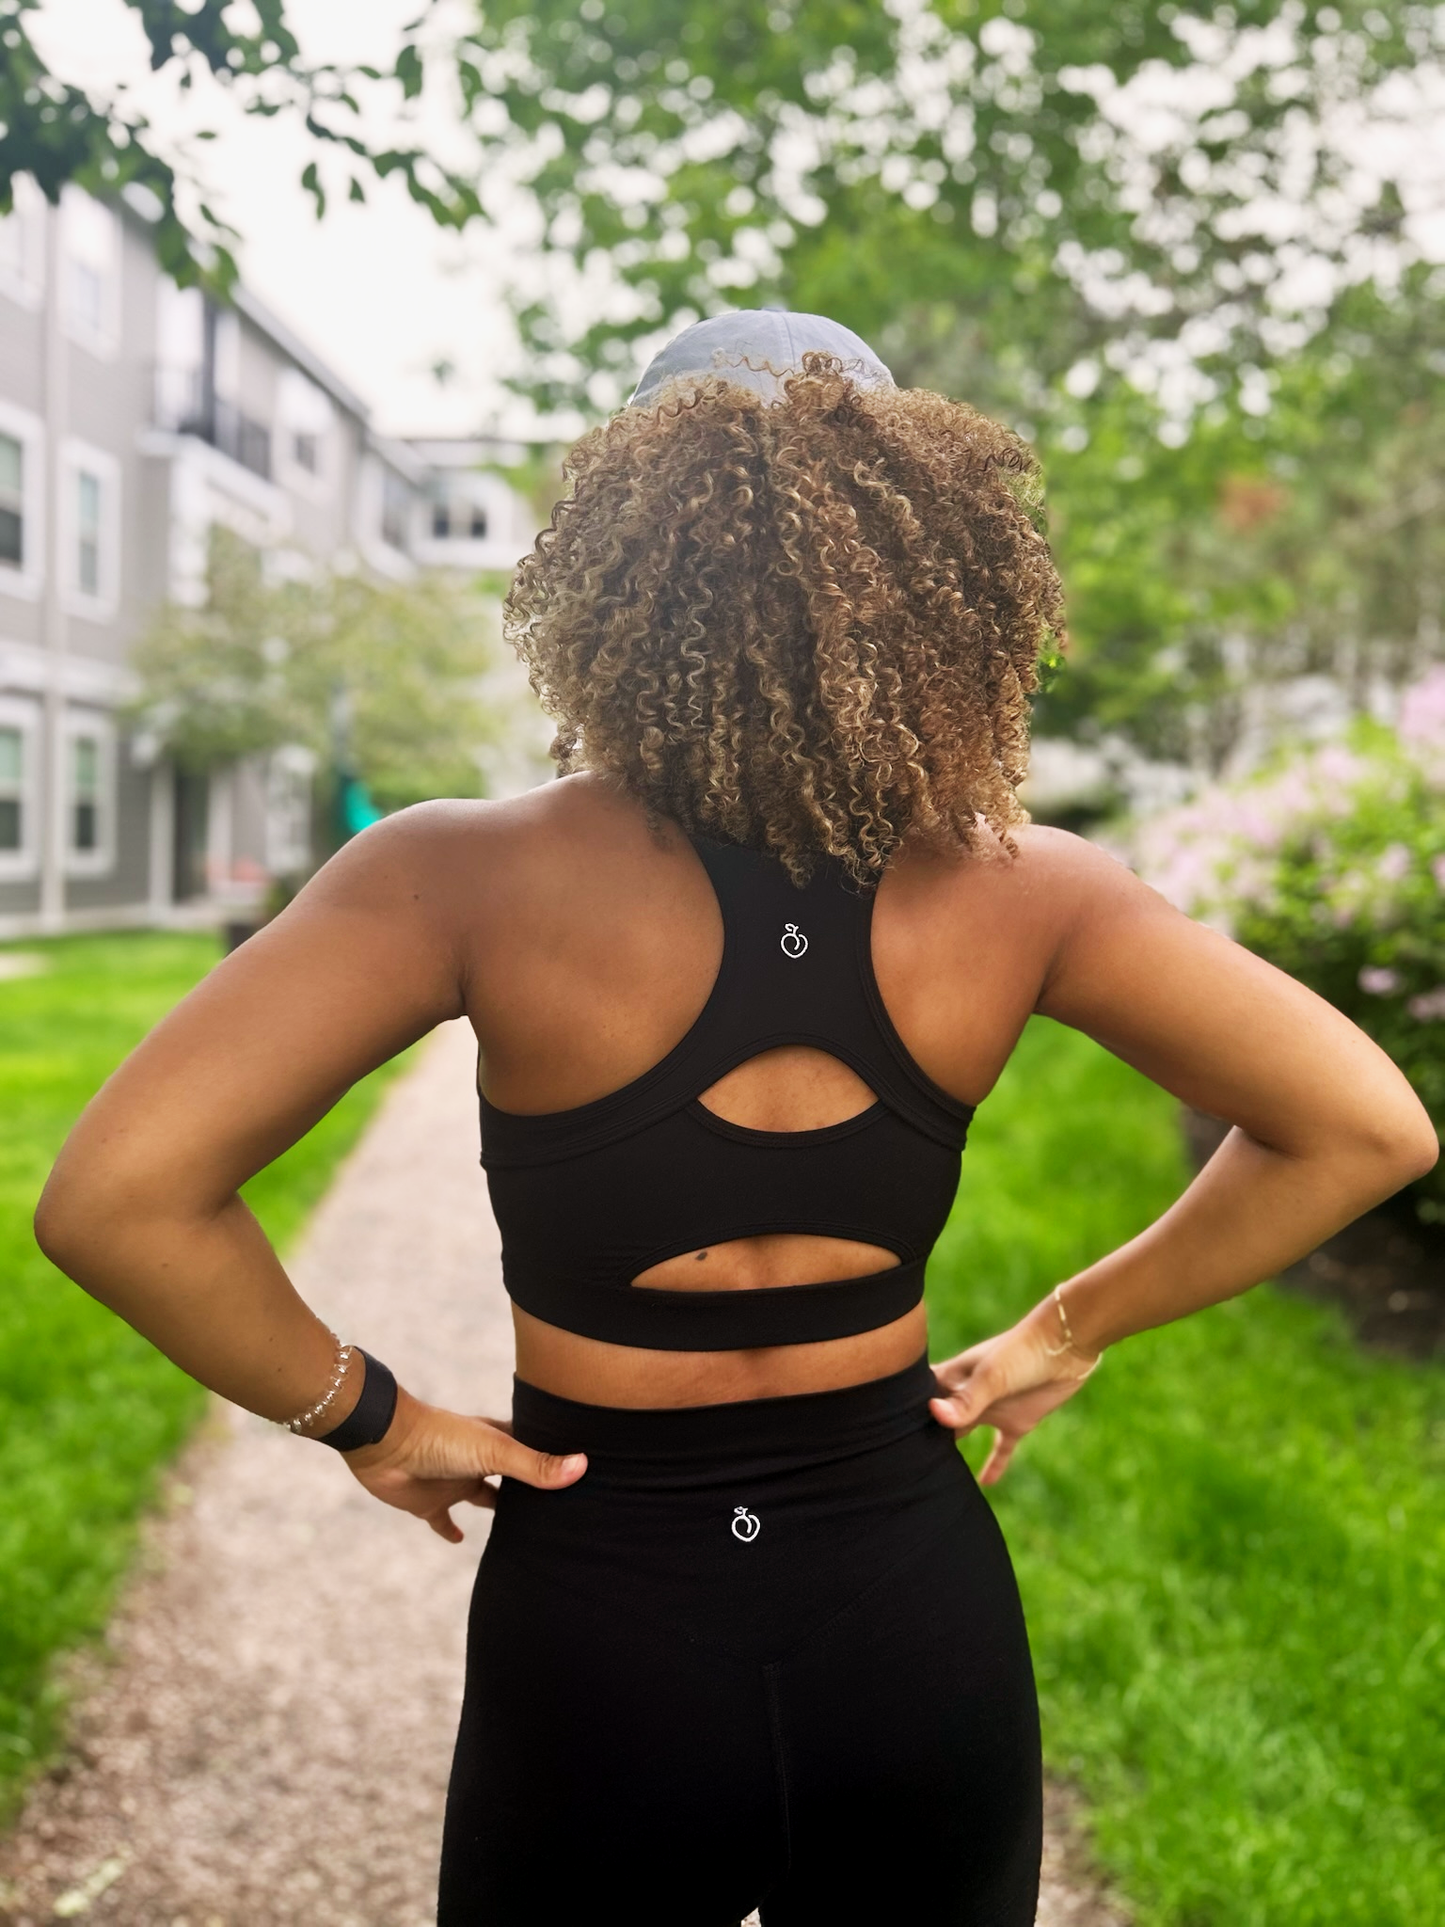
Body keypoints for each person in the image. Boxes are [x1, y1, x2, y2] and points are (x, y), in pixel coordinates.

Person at [36, 311, 1437, 1927]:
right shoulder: (1030, 893)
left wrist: (371, 1414)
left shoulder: (456, 876)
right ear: (928, 578)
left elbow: (118, 1197)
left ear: (624, 577)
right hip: (911, 1613)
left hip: (609, 1621)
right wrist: (1071, 1322)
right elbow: (1366, 1125)